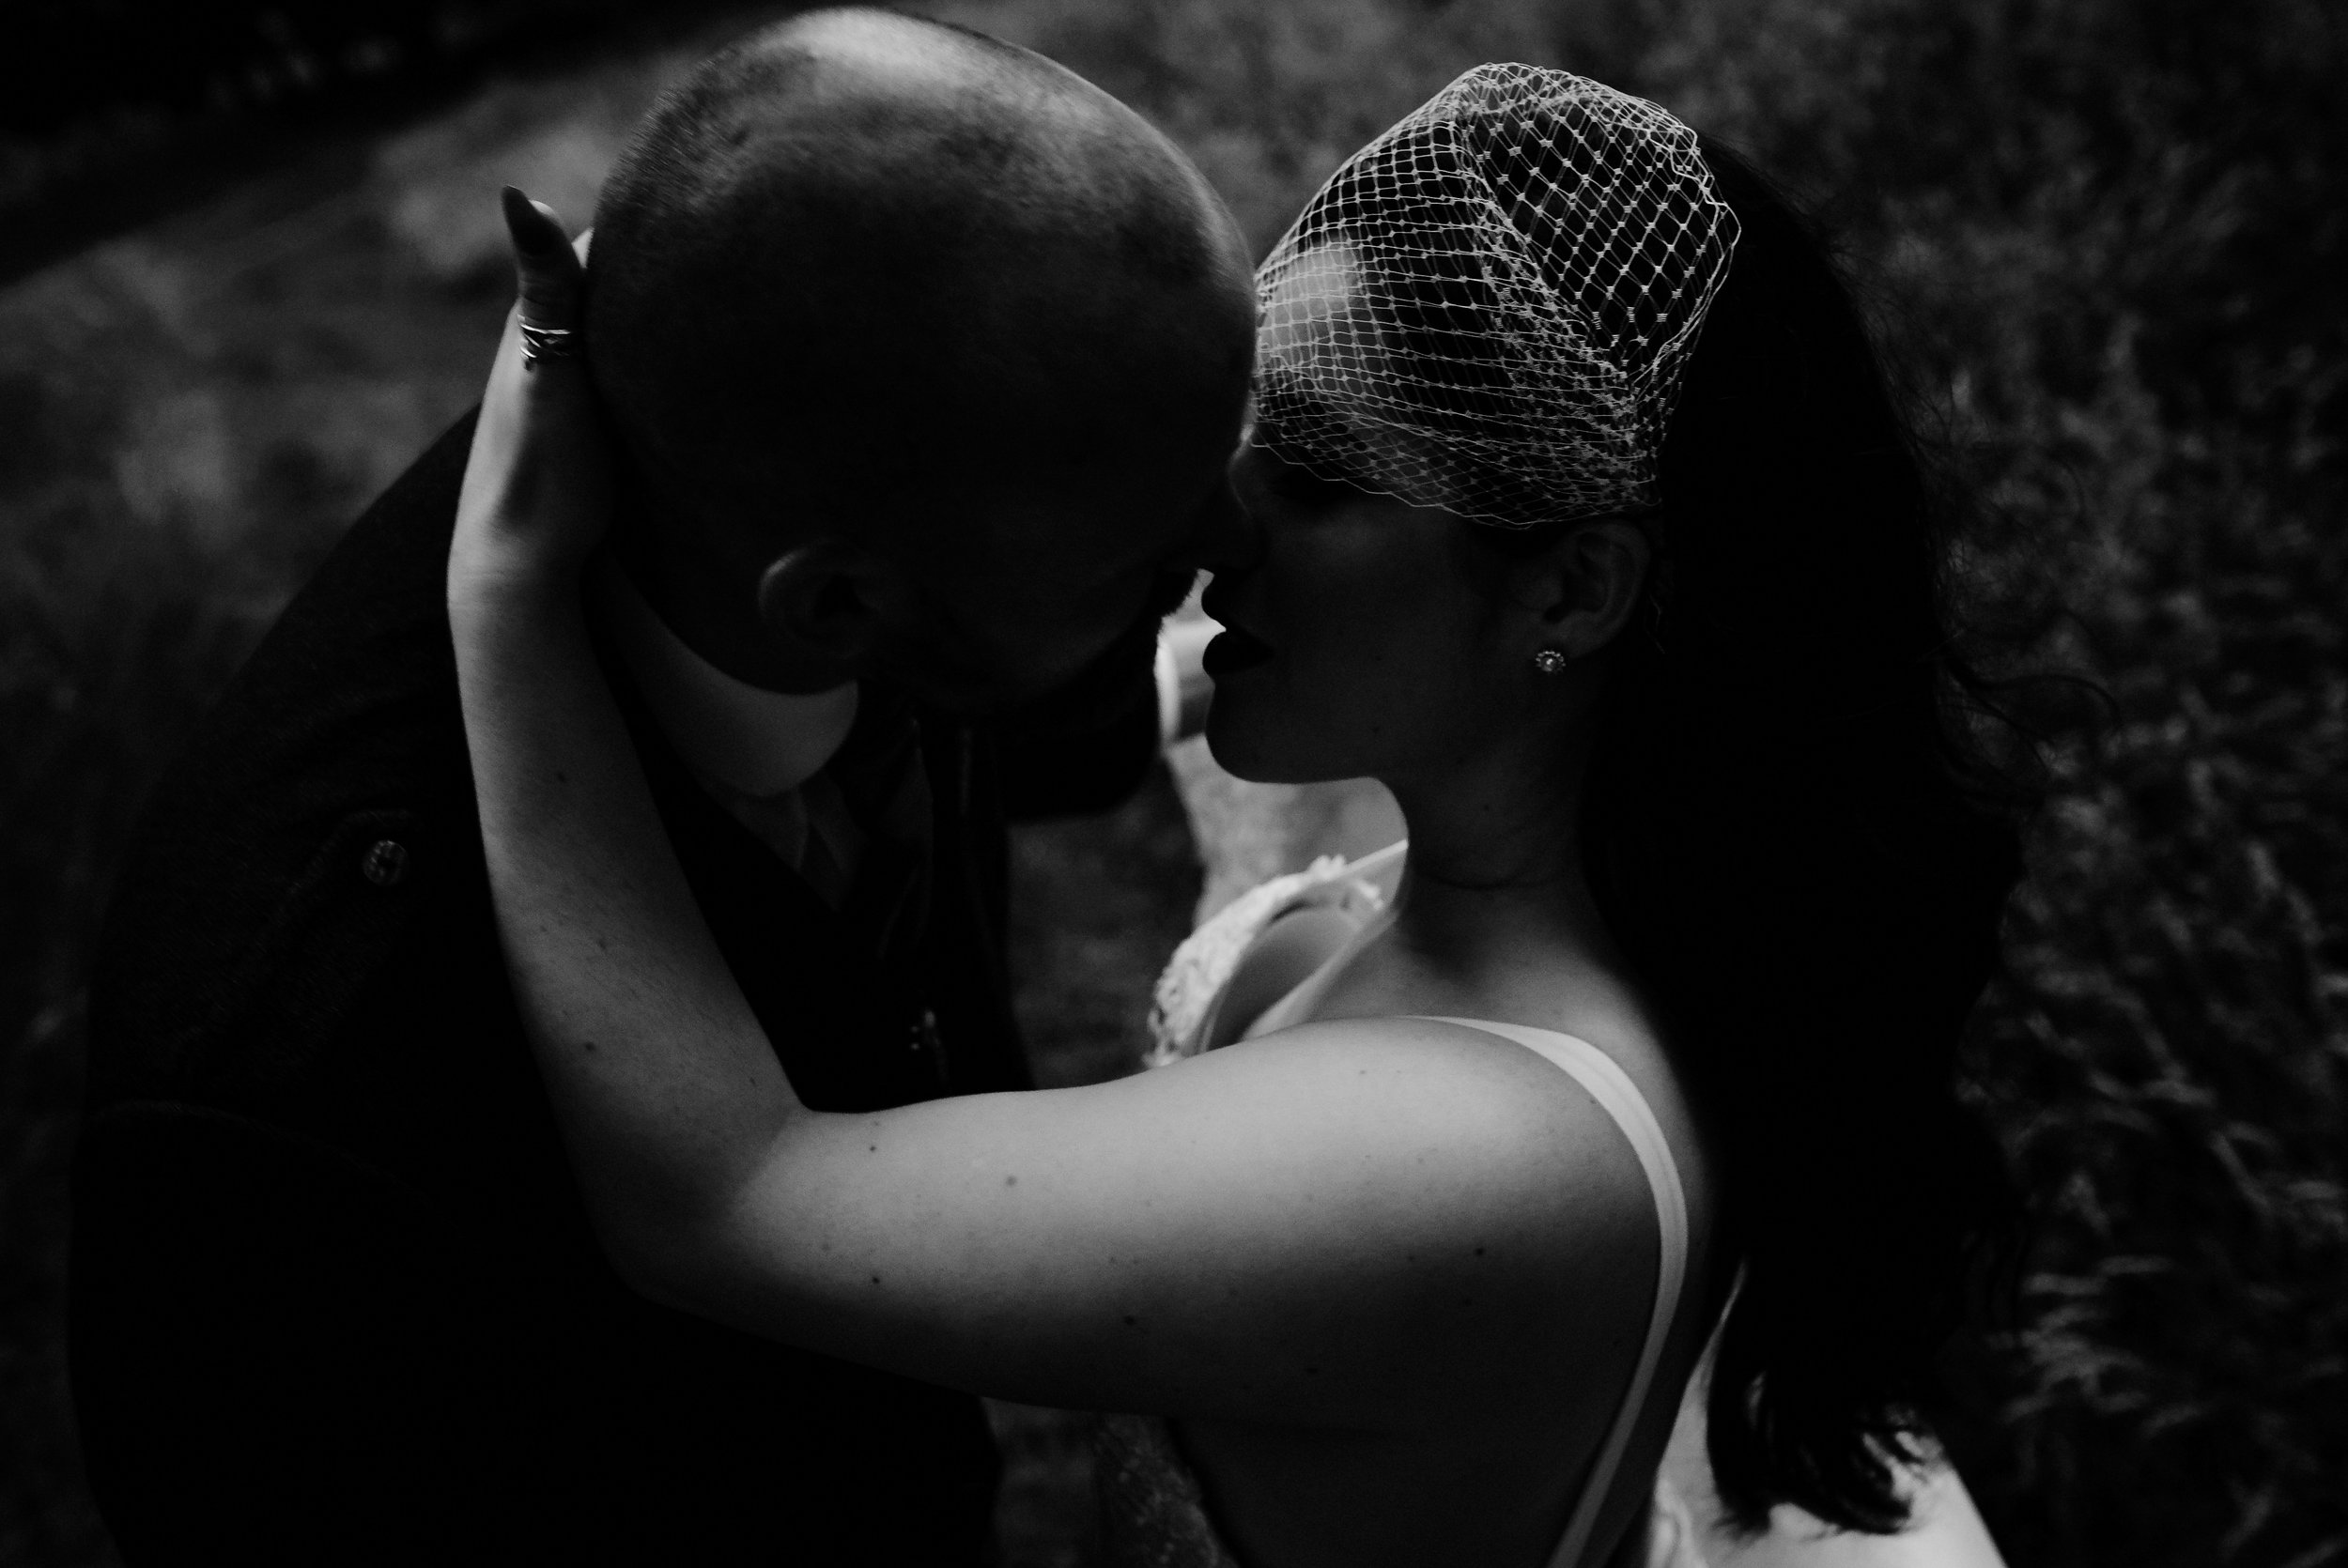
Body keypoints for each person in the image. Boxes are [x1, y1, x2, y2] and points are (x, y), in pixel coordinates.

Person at [448, 61, 2026, 1568]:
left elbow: (727, 1199)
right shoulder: (1624, 882)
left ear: (1570, 589)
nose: (1216, 523)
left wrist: (505, 584)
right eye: (1254, 429)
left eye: (1319, 474)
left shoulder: (1466, 1161)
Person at [69, 11, 1251, 1561]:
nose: (1228, 548)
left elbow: (1013, 696)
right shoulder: (289, 1078)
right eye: (1152, 558)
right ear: (831, 607)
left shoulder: (810, 456)